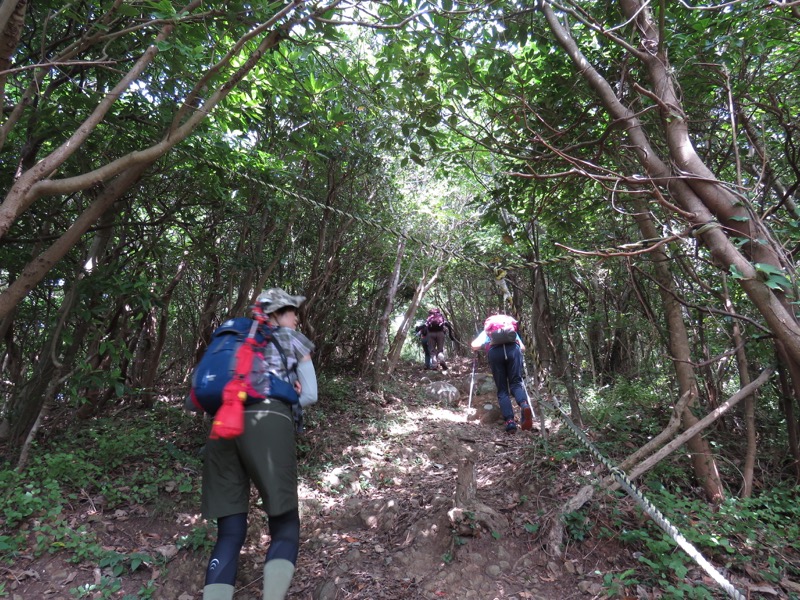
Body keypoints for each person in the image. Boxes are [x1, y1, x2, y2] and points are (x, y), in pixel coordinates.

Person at [200, 288, 318, 600]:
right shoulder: (292, 339)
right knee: (284, 522)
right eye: (293, 311)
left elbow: (200, 392)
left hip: (223, 423)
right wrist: (288, 390)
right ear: (279, 314)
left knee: (229, 531)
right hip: (268, 421)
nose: (296, 317)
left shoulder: (233, 339)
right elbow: (309, 395)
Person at [470, 314, 533, 434]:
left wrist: (486, 345)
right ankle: (524, 404)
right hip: (513, 350)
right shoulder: (510, 329)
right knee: (516, 383)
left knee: (502, 389)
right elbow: (523, 348)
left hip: (495, 353)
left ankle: (510, 422)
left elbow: (474, 346)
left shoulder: (488, 330)